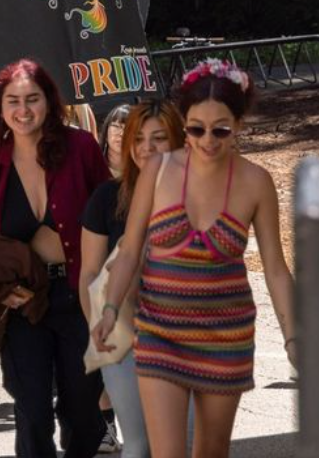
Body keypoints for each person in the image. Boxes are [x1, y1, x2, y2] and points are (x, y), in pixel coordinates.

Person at [92, 59, 296, 458]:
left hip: (226, 336)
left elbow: (275, 267)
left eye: (221, 129)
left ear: (239, 124)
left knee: (211, 451)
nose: (207, 140)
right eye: (195, 129)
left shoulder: (256, 182)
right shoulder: (158, 170)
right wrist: (111, 309)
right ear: (183, 124)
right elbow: (130, 248)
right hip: (160, 332)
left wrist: (293, 336)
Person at [0, 59, 111, 458]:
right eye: (12, 101)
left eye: (33, 98)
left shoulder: (81, 147)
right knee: (31, 412)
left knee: (84, 412)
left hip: (81, 296)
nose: (24, 109)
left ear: (49, 101)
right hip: (23, 304)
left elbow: (110, 215)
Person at [79, 100, 184, 458]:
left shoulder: (198, 196)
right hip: (122, 334)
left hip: (186, 336)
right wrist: (98, 325)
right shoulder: (106, 197)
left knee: (185, 445)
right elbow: (90, 272)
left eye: (159, 138)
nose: (146, 148)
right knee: (138, 444)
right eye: (138, 138)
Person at [97, 104, 130, 179]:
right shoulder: (93, 166)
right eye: (117, 126)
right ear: (106, 131)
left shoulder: (143, 169)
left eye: (128, 128)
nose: (122, 133)